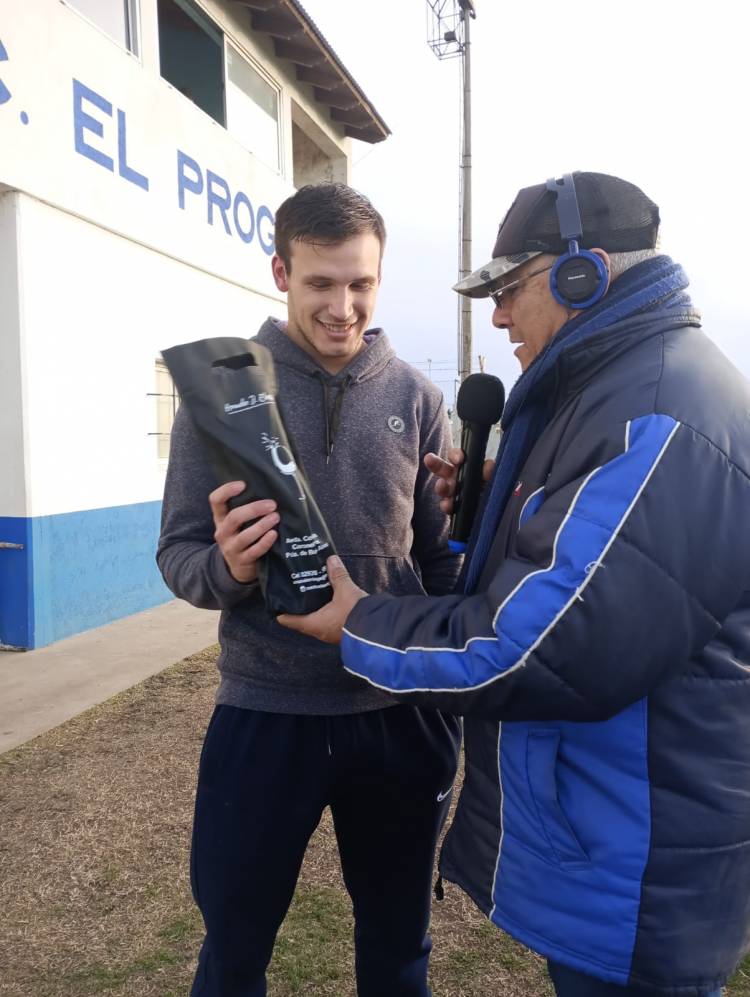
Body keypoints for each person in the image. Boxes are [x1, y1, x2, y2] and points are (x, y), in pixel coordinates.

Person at [280, 172, 750, 996]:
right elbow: (595, 560)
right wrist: (507, 496)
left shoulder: (658, 410)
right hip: (612, 840)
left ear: (583, 274)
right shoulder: (620, 391)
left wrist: (361, 620)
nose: (497, 317)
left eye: (509, 291)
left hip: (639, 861)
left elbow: (531, 645)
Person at [157, 182, 462, 997]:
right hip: (264, 713)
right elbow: (179, 554)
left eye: (360, 283)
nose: (342, 306)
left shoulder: (417, 398)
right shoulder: (221, 397)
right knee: (235, 946)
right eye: (321, 282)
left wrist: (474, 519)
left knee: (400, 947)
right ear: (281, 272)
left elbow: (437, 566)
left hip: (397, 712)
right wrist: (229, 567)